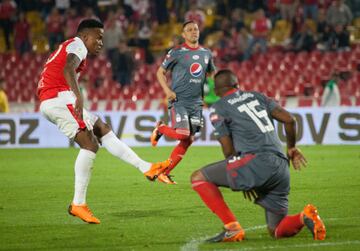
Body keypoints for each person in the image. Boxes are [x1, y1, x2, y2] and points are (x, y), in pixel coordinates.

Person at [37, 19, 170, 224]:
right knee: (90, 144)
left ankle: (145, 167)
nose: (101, 42)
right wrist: (79, 97)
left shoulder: (71, 45)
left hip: (58, 98)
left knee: (102, 128)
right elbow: (68, 69)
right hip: (59, 98)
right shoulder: (77, 44)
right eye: (98, 38)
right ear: (85, 36)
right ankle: (78, 204)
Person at [190, 69, 326, 242]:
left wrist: (241, 173)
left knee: (198, 177)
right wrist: (291, 148)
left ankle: (231, 228)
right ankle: (304, 216)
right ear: (237, 85)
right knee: (276, 229)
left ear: (216, 91)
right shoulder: (258, 96)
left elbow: (227, 149)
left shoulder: (219, 107)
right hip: (281, 167)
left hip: (254, 162)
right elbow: (289, 120)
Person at [150, 20, 216, 184]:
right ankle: (160, 128)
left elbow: (211, 76)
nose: (194, 32)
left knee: (188, 140)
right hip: (179, 100)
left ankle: (165, 172)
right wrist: (167, 91)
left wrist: (207, 95)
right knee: (183, 134)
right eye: (190, 30)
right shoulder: (177, 52)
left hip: (196, 103)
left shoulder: (206, 53)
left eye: (196, 29)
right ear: (183, 34)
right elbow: (160, 72)